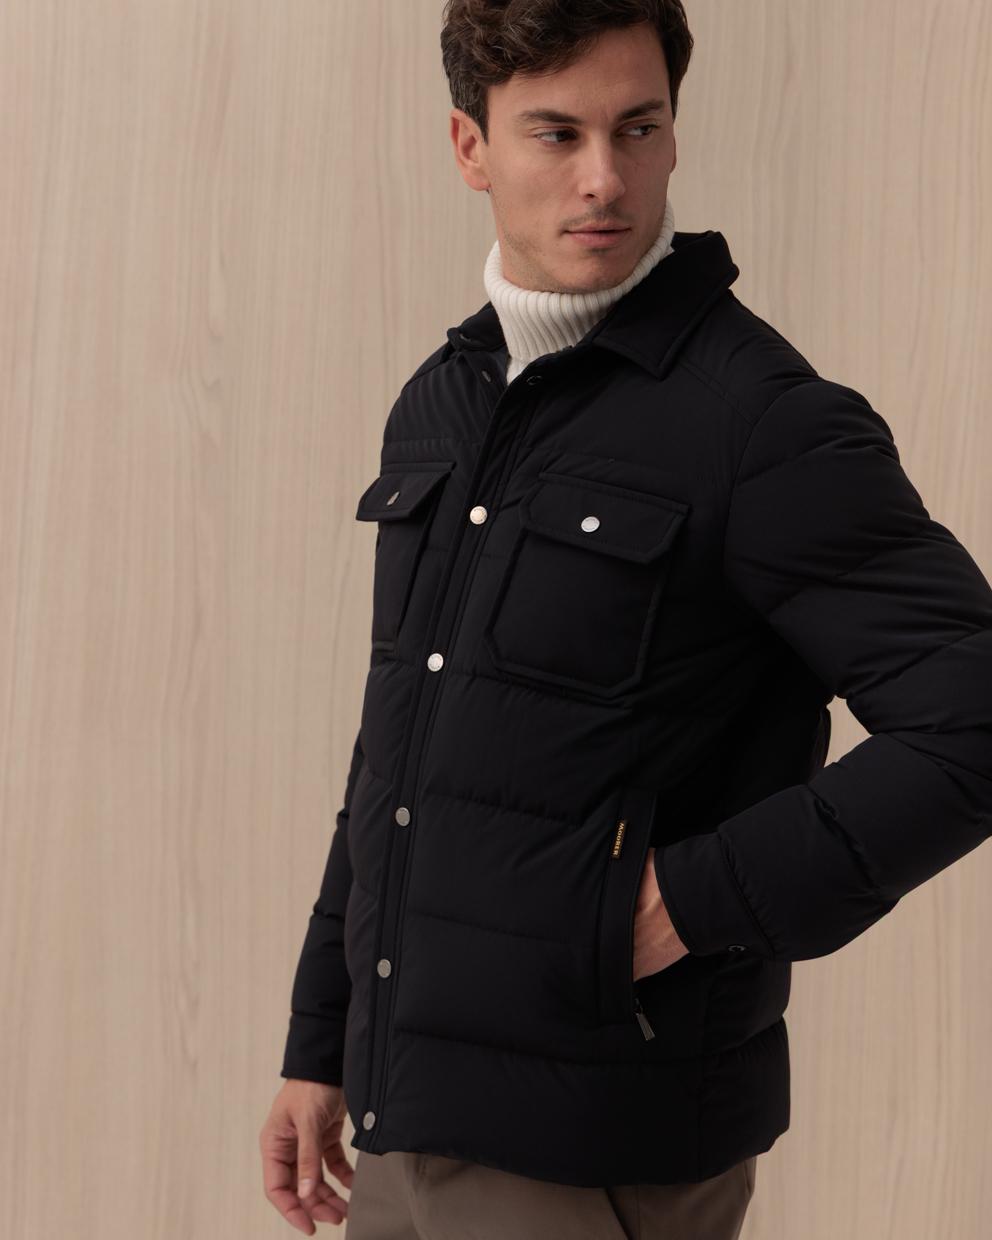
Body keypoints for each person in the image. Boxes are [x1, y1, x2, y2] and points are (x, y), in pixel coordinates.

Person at [259, 2, 992, 1236]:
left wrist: (684, 902)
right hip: (403, 1116)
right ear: (469, 146)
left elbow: (970, 716)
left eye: (636, 129)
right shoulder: (442, 402)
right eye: (556, 133)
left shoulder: (756, 421)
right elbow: (401, 751)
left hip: (599, 1146)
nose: (603, 178)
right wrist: (321, 1035)